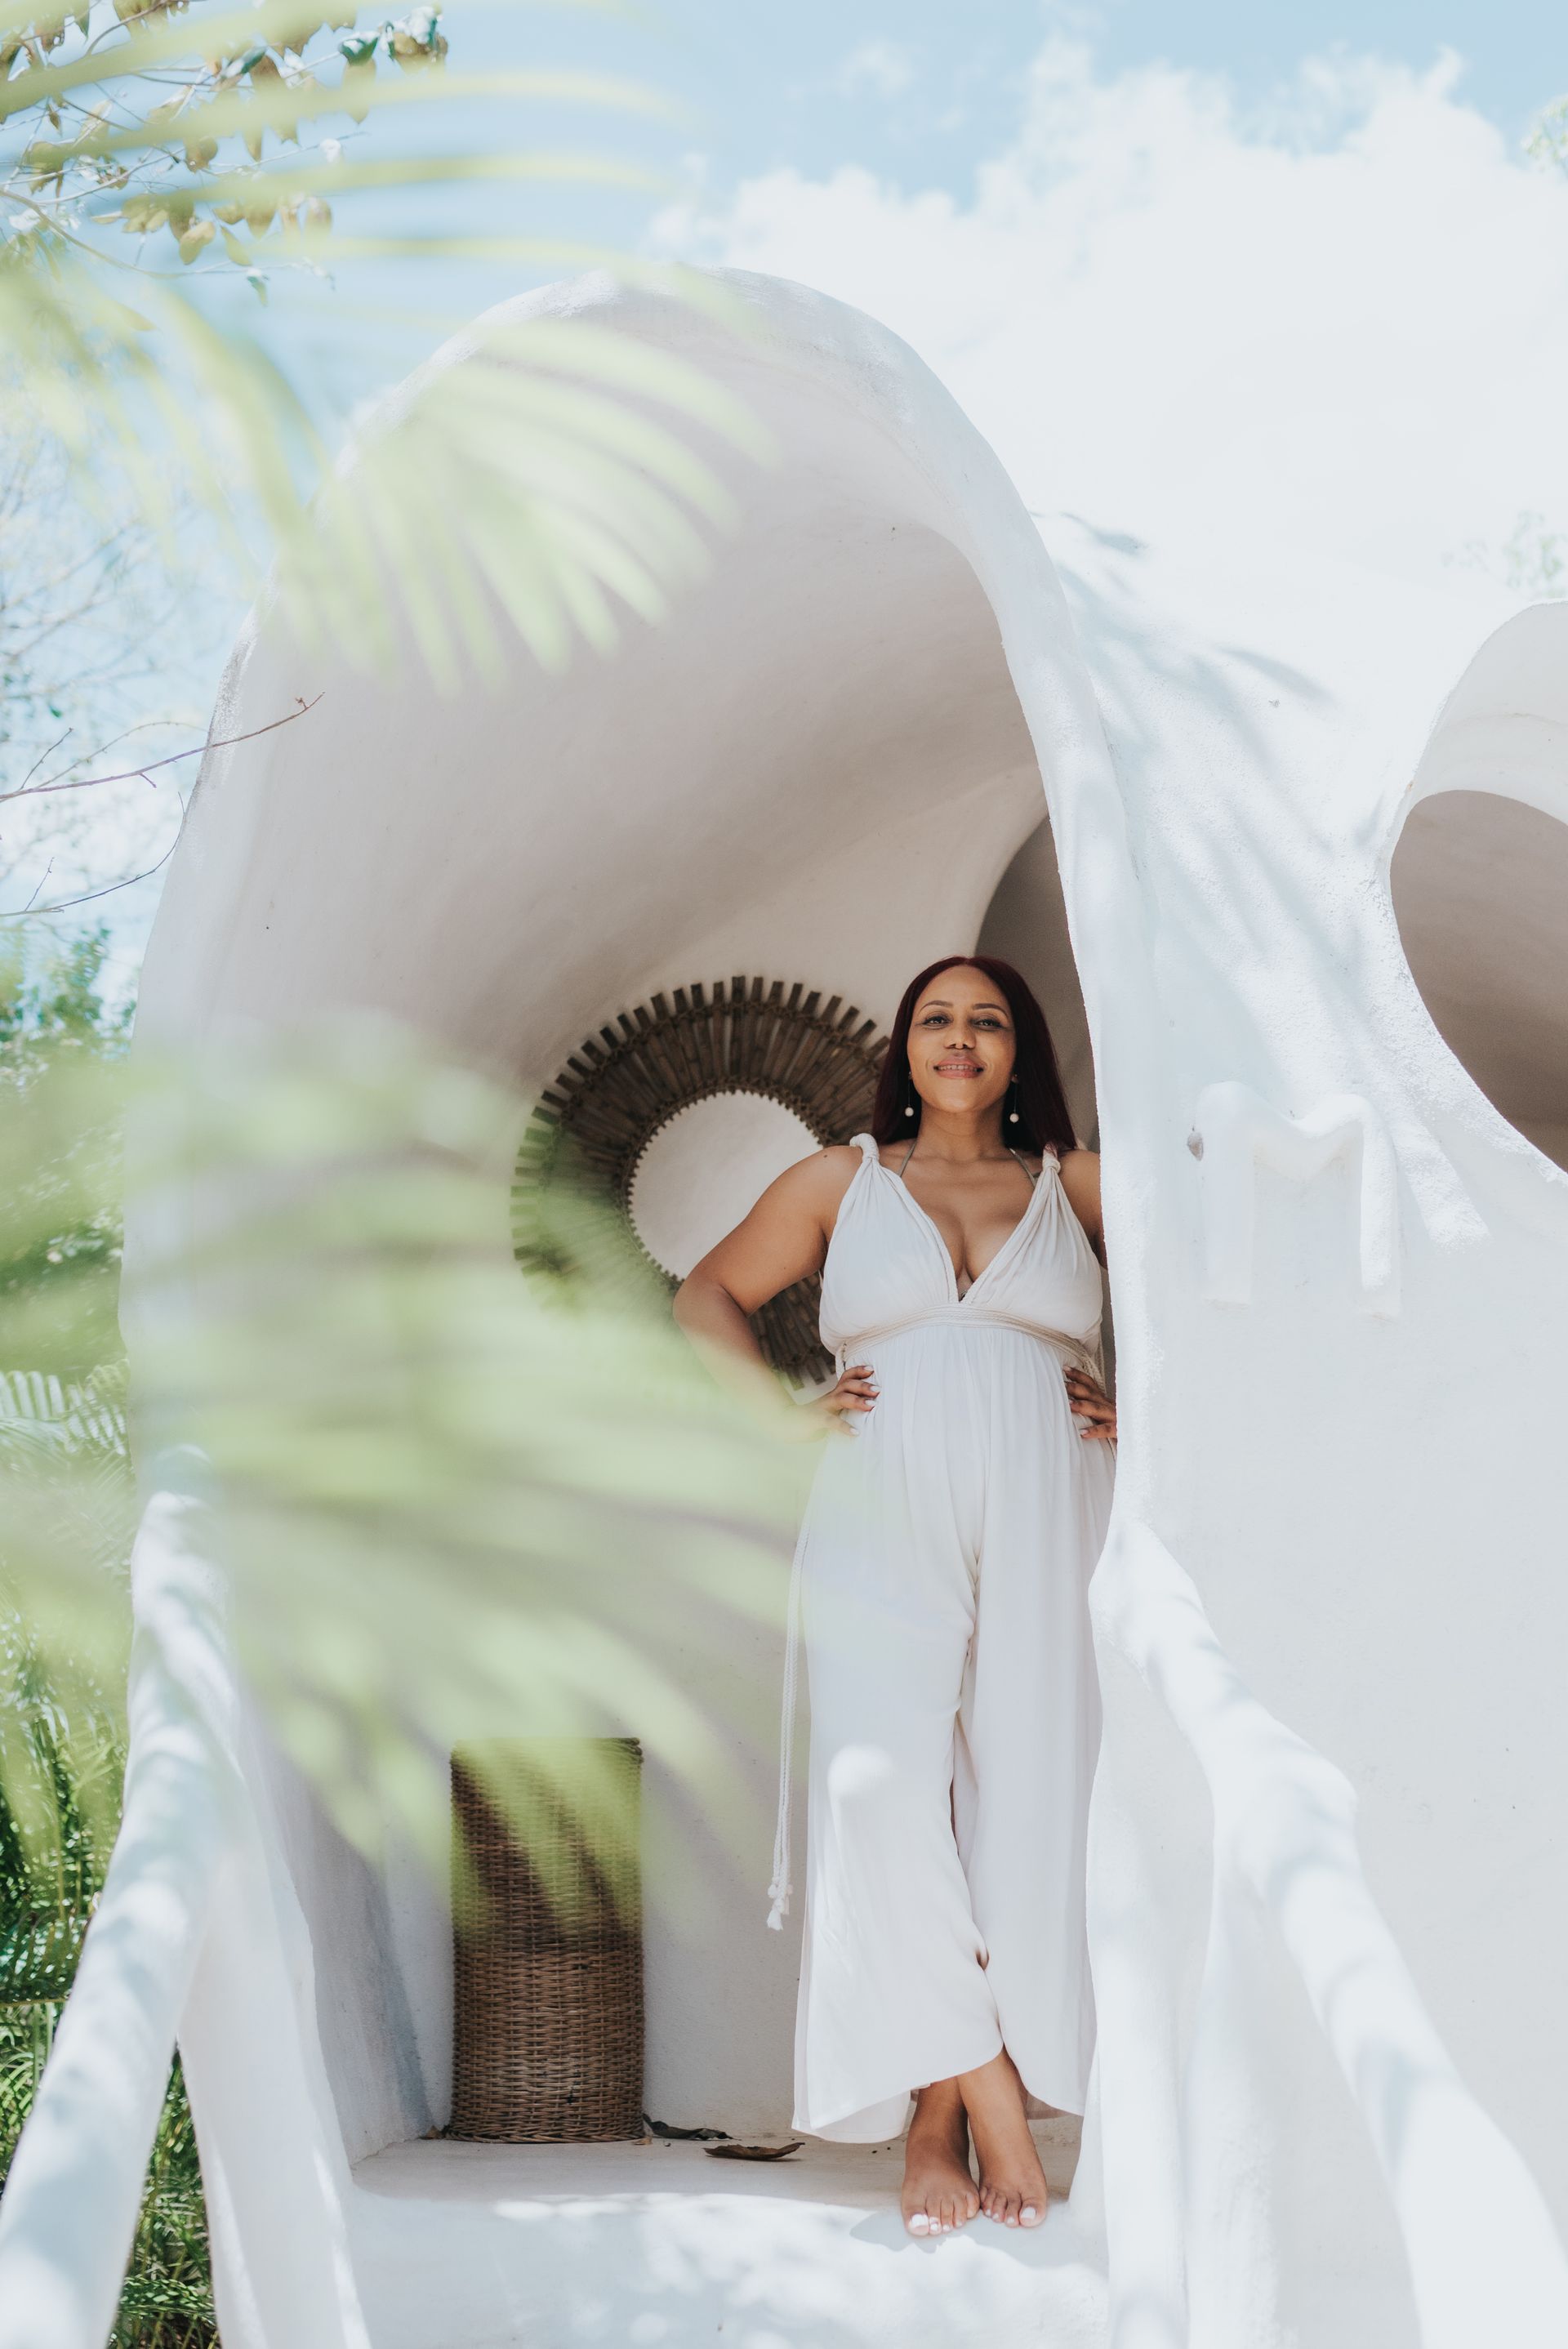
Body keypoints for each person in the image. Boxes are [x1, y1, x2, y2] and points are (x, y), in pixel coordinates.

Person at [674, 955, 1116, 2238]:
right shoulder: (841, 1180)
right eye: (937, 1019)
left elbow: (1237, 1283)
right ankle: (978, 2087)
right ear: (906, 1047)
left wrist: (1145, 1412)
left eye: (987, 1021)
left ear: (1019, 1051)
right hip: (881, 1500)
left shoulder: (1076, 1185)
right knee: (877, 1789)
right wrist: (779, 1422)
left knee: (1028, 1803)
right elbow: (706, 1294)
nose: (959, 1039)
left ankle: (943, 2120)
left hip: (1051, 1506)